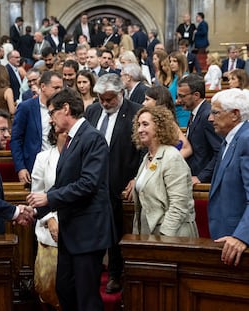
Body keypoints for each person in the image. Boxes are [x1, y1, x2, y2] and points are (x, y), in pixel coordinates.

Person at [27, 88, 113, 311]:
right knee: (64, 288)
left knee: (86, 298)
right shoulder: (72, 140)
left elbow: (88, 184)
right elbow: (64, 183)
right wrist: (37, 209)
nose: (50, 119)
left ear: (65, 109)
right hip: (71, 231)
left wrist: (48, 197)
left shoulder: (92, 138)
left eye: (52, 112)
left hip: (87, 232)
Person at [85, 73, 141, 294]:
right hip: (93, 182)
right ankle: (94, 268)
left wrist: (136, 177)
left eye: (110, 99)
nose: (105, 103)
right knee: (94, 228)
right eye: (101, 98)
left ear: (121, 93)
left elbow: (143, 149)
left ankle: (116, 273)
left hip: (120, 180)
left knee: (117, 230)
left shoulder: (135, 112)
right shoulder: (92, 111)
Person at [131, 106, 198, 237]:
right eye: (138, 125)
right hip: (149, 234)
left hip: (172, 236)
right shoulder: (148, 157)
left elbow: (179, 205)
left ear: (159, 127)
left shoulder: (172, 157)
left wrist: (163, 237)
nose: (140, 130)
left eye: (145, 124)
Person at [208, 88, 249, 266]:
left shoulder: (246, 140)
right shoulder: (230, 140)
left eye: (215, 113)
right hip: (225, 236)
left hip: (238, 242)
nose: (210, 118)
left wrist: (242, 236)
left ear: (234, 115)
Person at [32, 126, 67, 310]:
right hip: (48, 228)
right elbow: (36, 193)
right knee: (47, 286)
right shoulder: (43, 158)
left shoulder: (81, 155)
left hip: (75, 228)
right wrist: (50, 220)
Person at [10, 71, 63, 184]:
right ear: (43, 86)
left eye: (61, 88)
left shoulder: (63, 108)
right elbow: (16, 139)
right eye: (56, 88)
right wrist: (20, 167)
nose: (59, 91)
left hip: (59, 164)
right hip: (34, 166)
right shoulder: (26, 107)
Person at [177, 74, 222, 184]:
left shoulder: (207, 116)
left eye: (182, 96)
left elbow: (220, 151)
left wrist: (201, 177)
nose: (178, 100)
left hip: (204, 182)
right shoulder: (195, 113)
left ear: (196, 95)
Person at [143, 85, 193, 158]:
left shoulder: (168, 122)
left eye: (147, 99)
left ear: (158, 101)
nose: (143, 103)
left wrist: (168, 162)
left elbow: (187, 149)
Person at [169, 51, 189, 127]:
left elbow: (184, 99)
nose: (171, 63)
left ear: (181, 63)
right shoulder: (175, 78)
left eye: (174, 61)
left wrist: (171, 102)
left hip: (183, 114)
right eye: (170, 61)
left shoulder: (185, 78)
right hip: (175, 114)